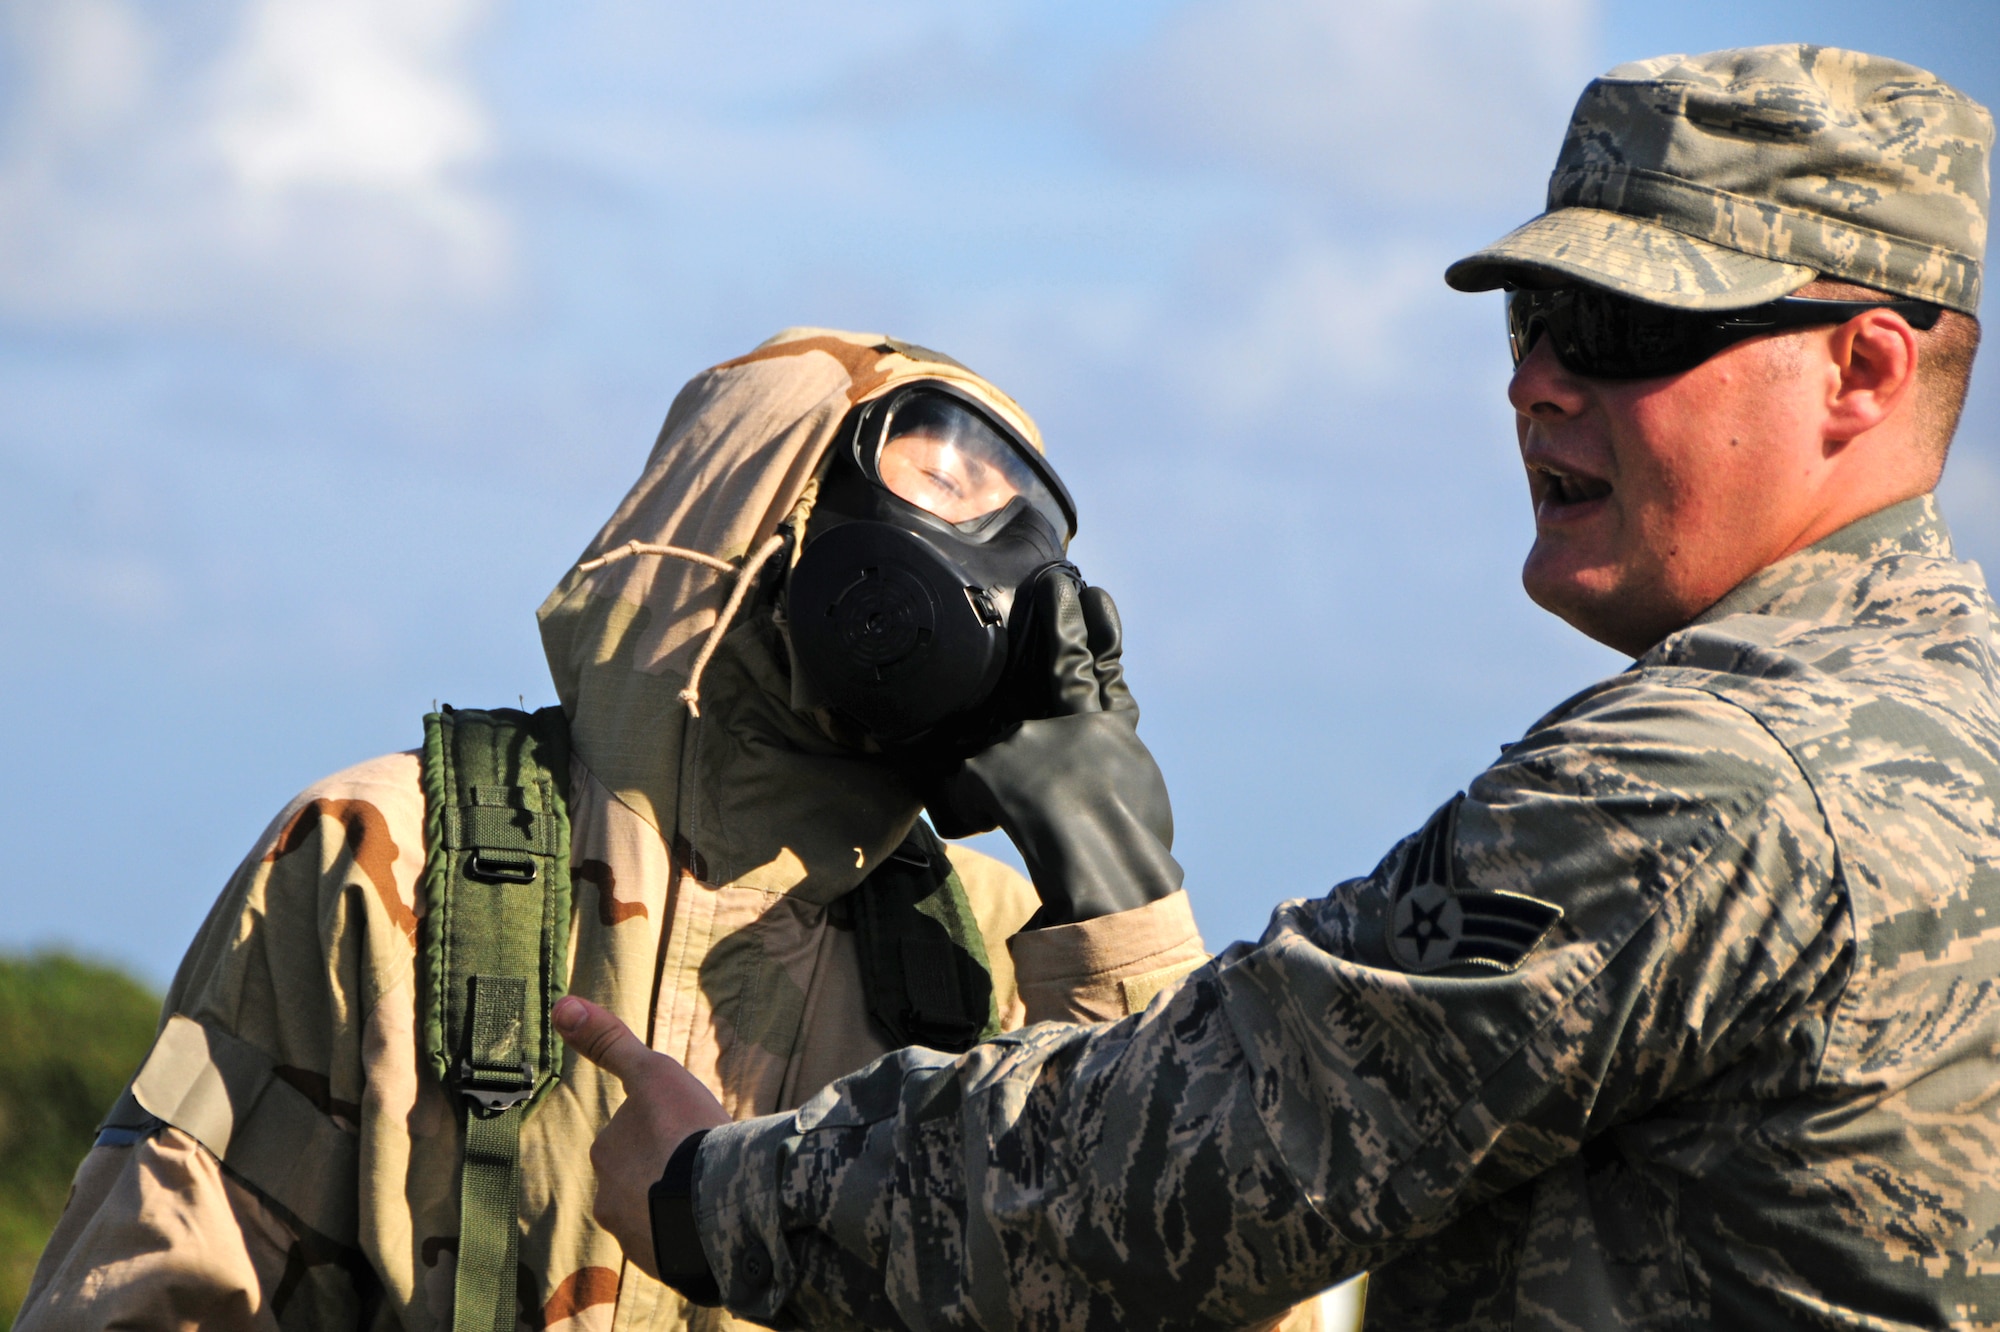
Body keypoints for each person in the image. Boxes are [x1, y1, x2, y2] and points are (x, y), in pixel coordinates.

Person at [557, 44, 2000, 1330]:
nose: (1535, 388)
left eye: (1618, 332)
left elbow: (1211, 1157)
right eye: (1532, 324)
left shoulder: (1705, 778)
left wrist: (718, 1193)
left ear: (1862, 368)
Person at [15, 332, 1234, 1331]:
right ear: (771, 509)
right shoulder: (387, 858)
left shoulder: (1003, 951)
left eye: (1023, 523)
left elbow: (1208, 1270)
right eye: (945, 482)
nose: (1005, 563)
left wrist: (1119, 910)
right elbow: (148, 1291)